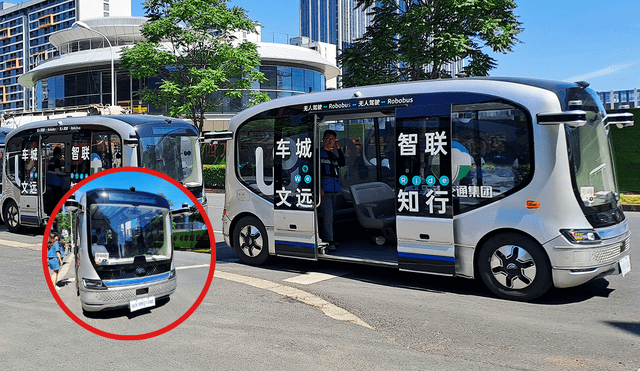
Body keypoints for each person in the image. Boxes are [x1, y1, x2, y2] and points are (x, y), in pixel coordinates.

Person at [319, 129, 345, 252]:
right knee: (328, 216)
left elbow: (342, 163)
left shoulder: (333, 155)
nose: (330, 141)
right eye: (328, 138)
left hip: (334, 190)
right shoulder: (319, 154)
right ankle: (329, 241)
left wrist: (339, 149)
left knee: (331, 216)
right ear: (323, 139)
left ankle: (329, 238)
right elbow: (315, 172)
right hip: (325, 191)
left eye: (333, 140)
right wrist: (319, 188)